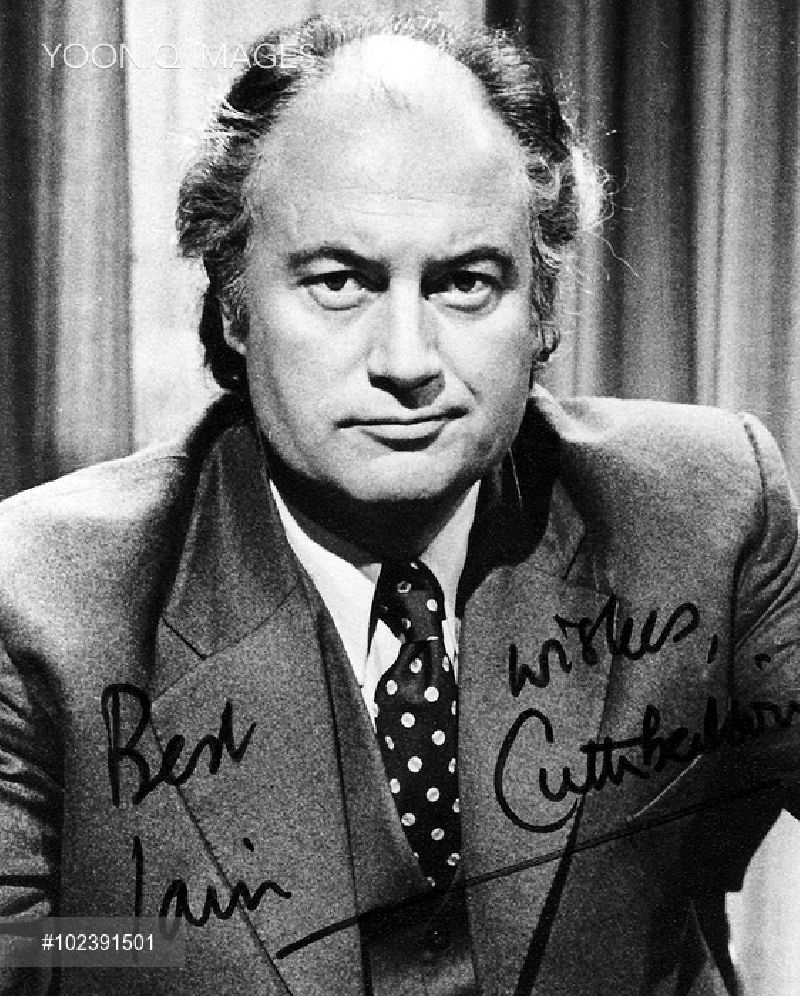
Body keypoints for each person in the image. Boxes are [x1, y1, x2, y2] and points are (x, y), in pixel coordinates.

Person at [1, 12, 798, 995]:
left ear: (541, 309)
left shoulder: (705, 511)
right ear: (234, 304)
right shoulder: (37, 598)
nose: (407, 360)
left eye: (465, 283)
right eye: (340, 281)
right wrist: (152, 946)